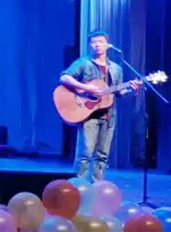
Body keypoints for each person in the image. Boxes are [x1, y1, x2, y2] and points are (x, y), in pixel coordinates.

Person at [60, 30, 141, 181]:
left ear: (107, 45)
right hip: (88, 114)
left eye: (100, 41)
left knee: (102, 155)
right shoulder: (84, 63)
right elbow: (65, 77)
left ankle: (96, 185)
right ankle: (78, 186)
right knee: (85, 154)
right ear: (90, 45)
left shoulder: (116, 69)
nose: (97, 45)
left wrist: (133, 90)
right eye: (93, 42)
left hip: (108, 116)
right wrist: (87, 88)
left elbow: (119, 92)